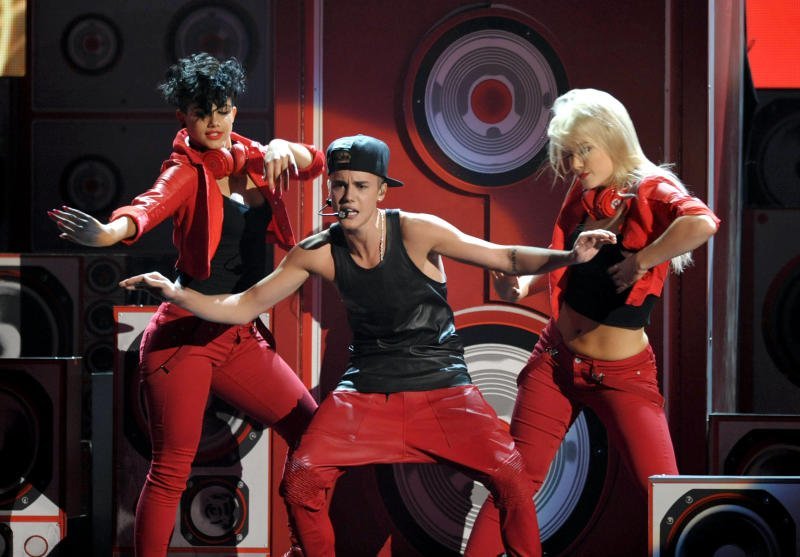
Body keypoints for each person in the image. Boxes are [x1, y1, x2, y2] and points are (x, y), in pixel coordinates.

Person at [119, 134, 617, 557]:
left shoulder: (418, 230)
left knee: (511, 477)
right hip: (365, 394)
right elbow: (243, 305)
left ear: (381, 190)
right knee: (301, 479)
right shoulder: (317, 252)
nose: (348, 196)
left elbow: (504, 257)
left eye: (360, 185)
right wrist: (177, 294)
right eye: (339, 185)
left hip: (441, 389)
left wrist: (570, 257)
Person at [47, 53, 324, 557]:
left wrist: (288, 147)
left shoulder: (257, 158)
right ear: (184, 116)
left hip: (238, 336)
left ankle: (303, 547)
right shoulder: (184, 170)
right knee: (171, 470)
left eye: (222, 109)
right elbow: (148, 206)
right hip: (183, 338)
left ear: (235, 109)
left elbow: (319, 161)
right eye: (201, 112)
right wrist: (109, 232)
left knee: (313, 435)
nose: (214, 121)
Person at [464, 88, 721, 556]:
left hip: (622, 376)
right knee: (514, 483)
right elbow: (567, 266)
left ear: (613, 137)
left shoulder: (652, 189)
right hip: (555, 361)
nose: (575, 163)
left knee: (665, 497)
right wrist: (520, 288)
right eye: (568, 153)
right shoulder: (583, 196)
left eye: (584, 149)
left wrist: (641, 259)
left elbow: (703, 223)